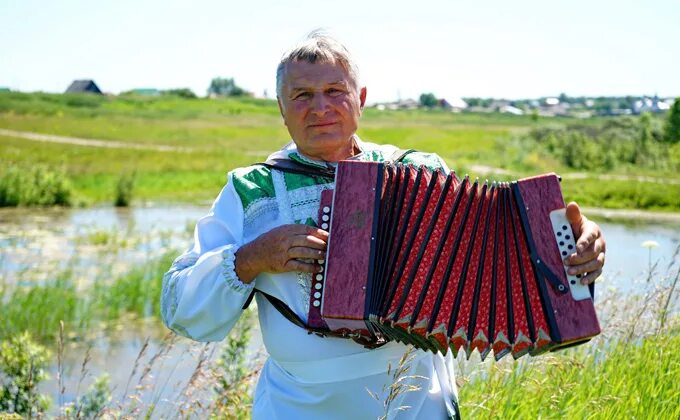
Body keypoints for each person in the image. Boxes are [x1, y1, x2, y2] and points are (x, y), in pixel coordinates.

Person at [160, 32, 606, 419]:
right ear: (281, 107)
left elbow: (491, 260)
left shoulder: (420, 169)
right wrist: (252, 258)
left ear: (362, 98)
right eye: (302, 95)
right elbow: (180, 307)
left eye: (335, 90)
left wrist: (573, 254)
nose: (321, 108)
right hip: (300, 406)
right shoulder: (251, 189)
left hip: (415, 400)